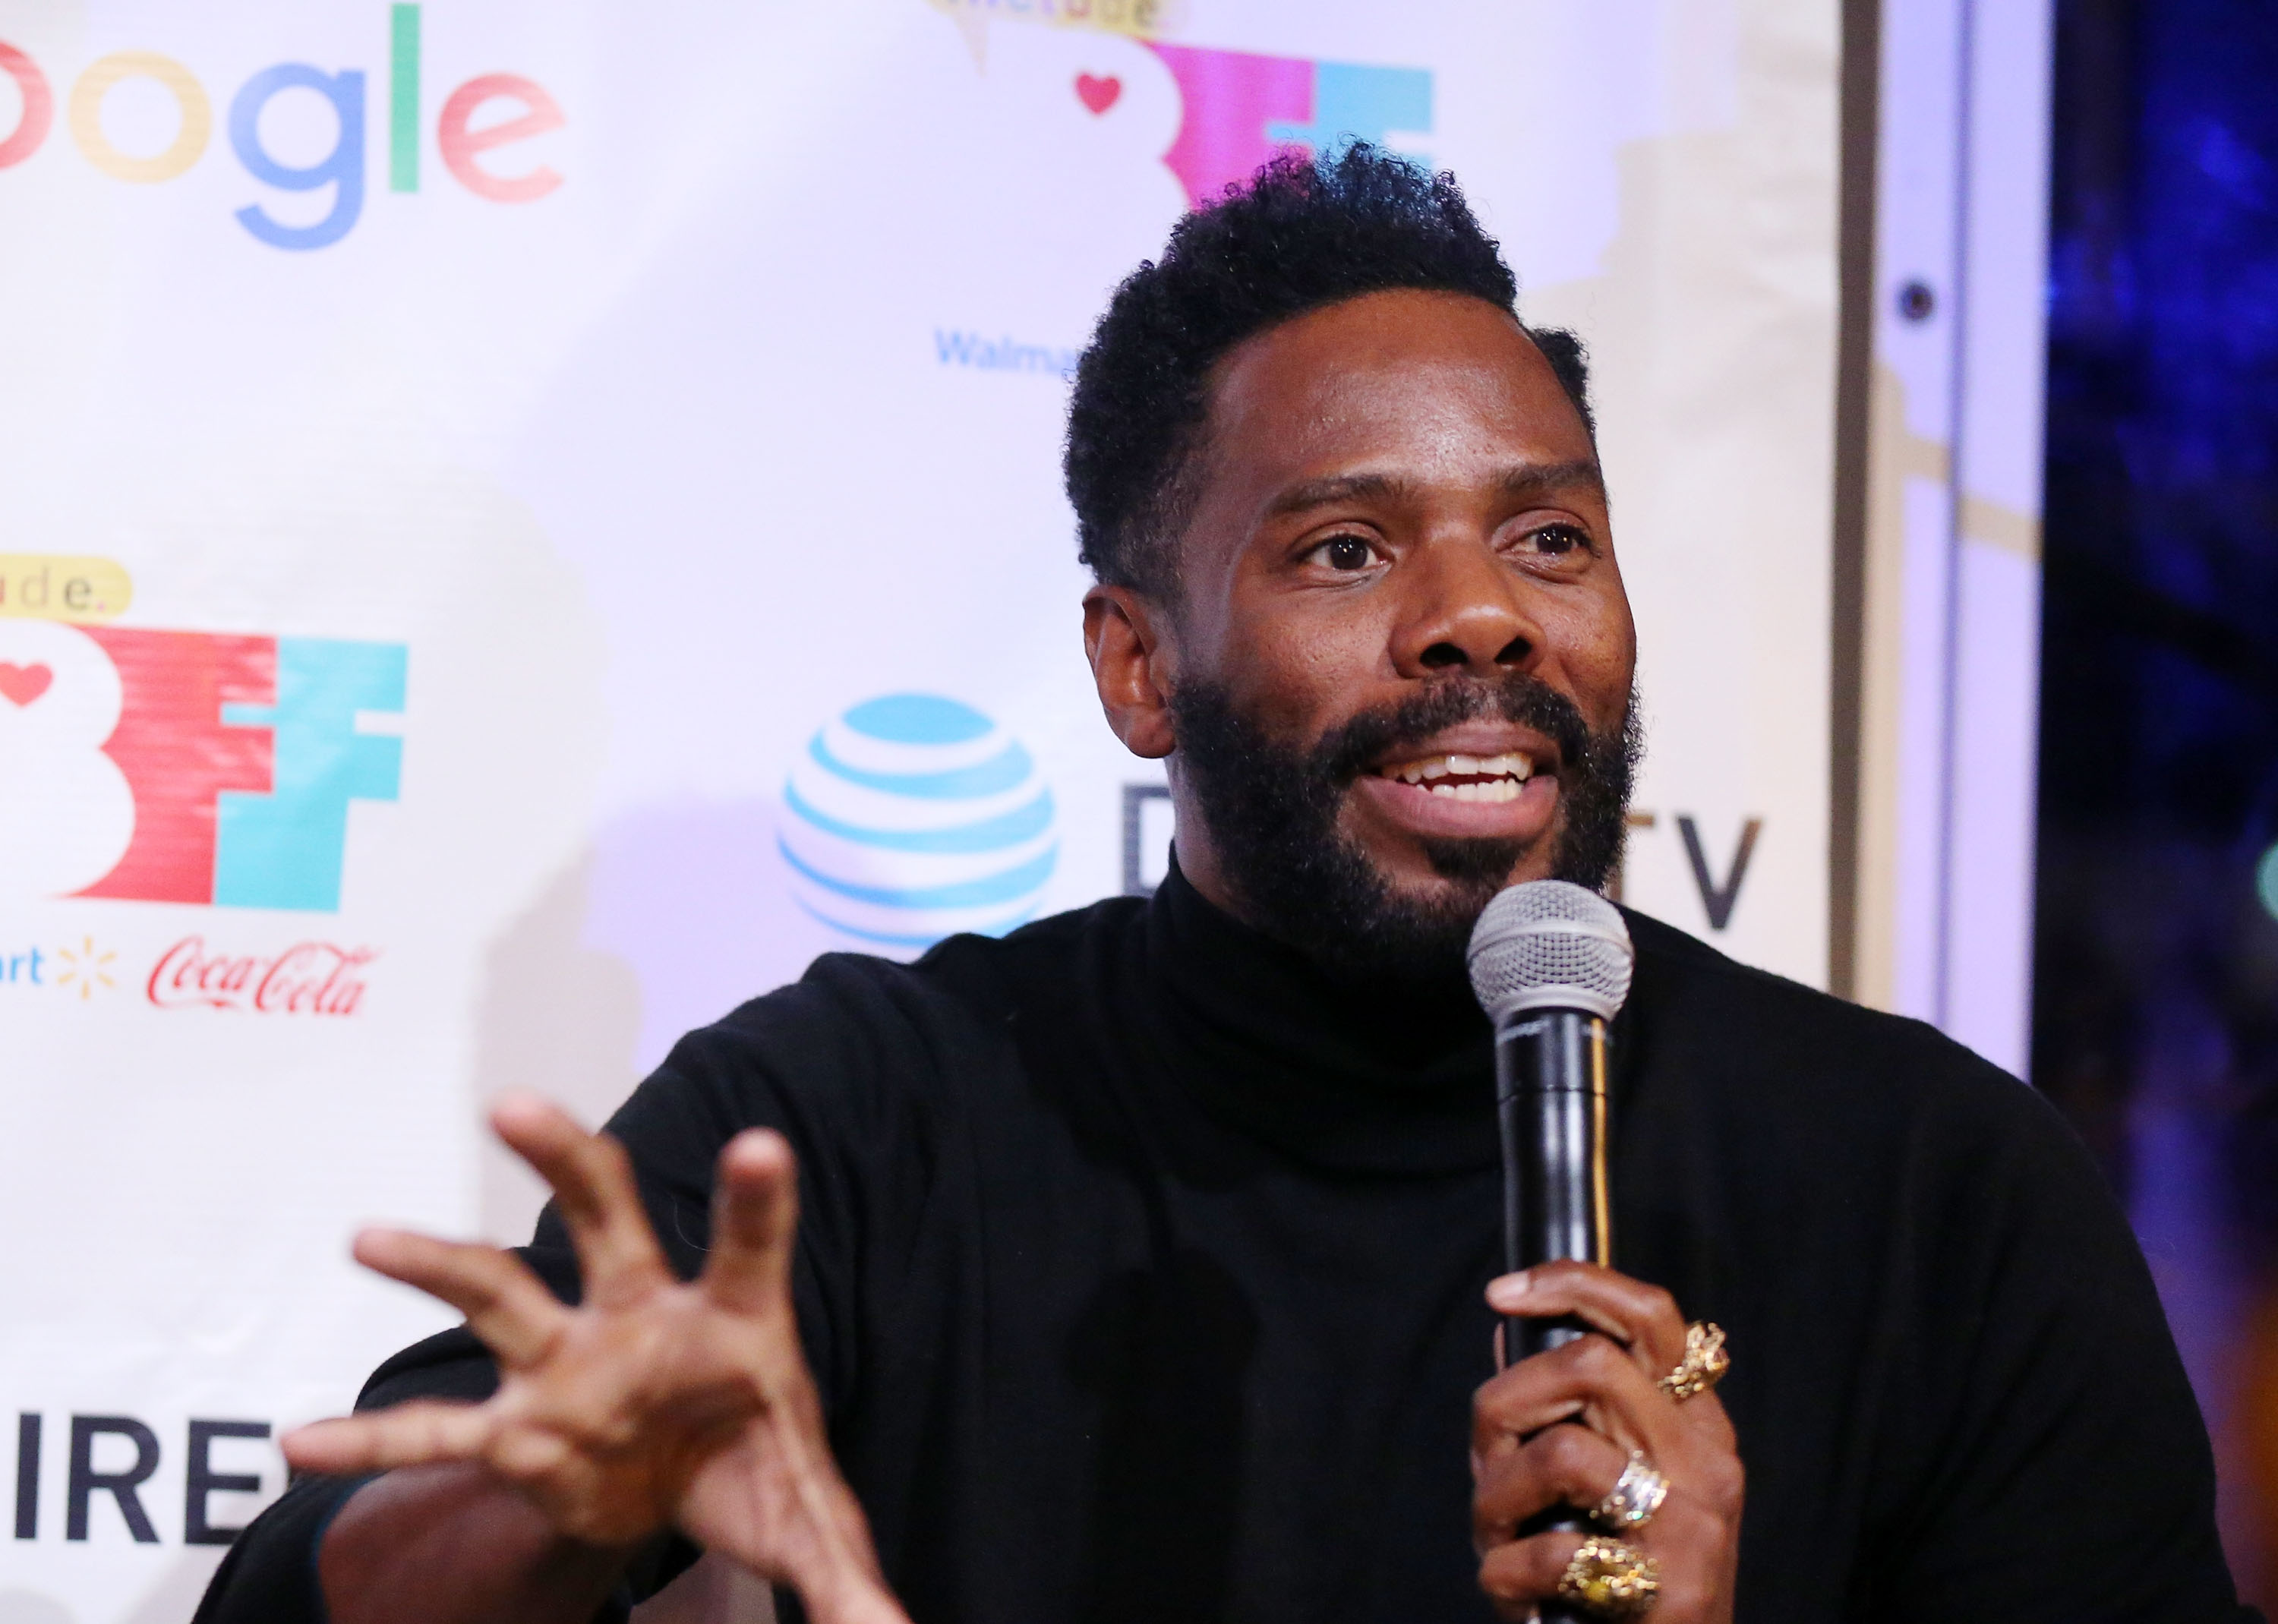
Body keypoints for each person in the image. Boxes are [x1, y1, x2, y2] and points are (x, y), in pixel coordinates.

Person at [194, 146, 2251, 1624]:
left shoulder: (1932, 1183)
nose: (1478, 621)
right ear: (1134, 665)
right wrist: (554, 1516)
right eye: (1347, 551)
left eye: (1546, 540)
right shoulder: (859, 1123)